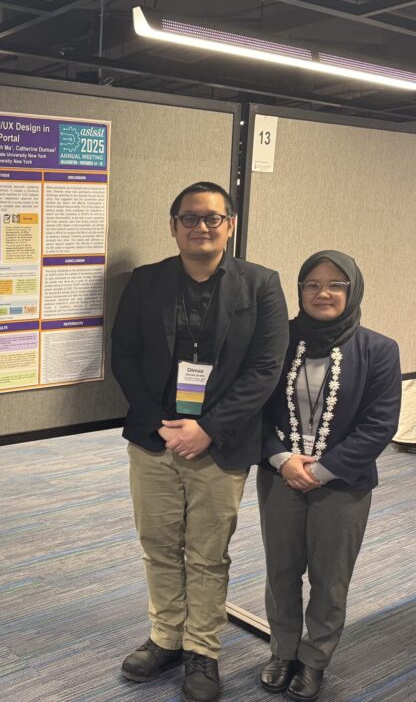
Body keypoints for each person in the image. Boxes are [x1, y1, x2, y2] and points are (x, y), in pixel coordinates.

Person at [110, 181, 289, 702]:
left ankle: (202, 650)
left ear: (229, 226)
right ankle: (166, 637)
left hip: (222, 442)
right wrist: (161, 422)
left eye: (213, 218)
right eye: (190, 218)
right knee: (159, 545)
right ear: (173, 226)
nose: (201, 227)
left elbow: (265, 369)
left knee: (208, 553)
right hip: (154, 438)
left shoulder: (260, 285)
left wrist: (208, 427)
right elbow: (124, 355)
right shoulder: (146, 282)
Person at [256, 251, 400, 702]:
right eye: (312, 284)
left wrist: (322, 469)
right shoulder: (276, 341)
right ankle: (282, 650)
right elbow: (253, 406)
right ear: (299, 290)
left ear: (352, 290)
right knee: (281, 571)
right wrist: (282, 458)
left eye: (335, 284)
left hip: (344, 485)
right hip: (280, 477)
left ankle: (315, 658)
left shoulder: (378, 349)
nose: (323, 293)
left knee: (330, 576)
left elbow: (380, 424)